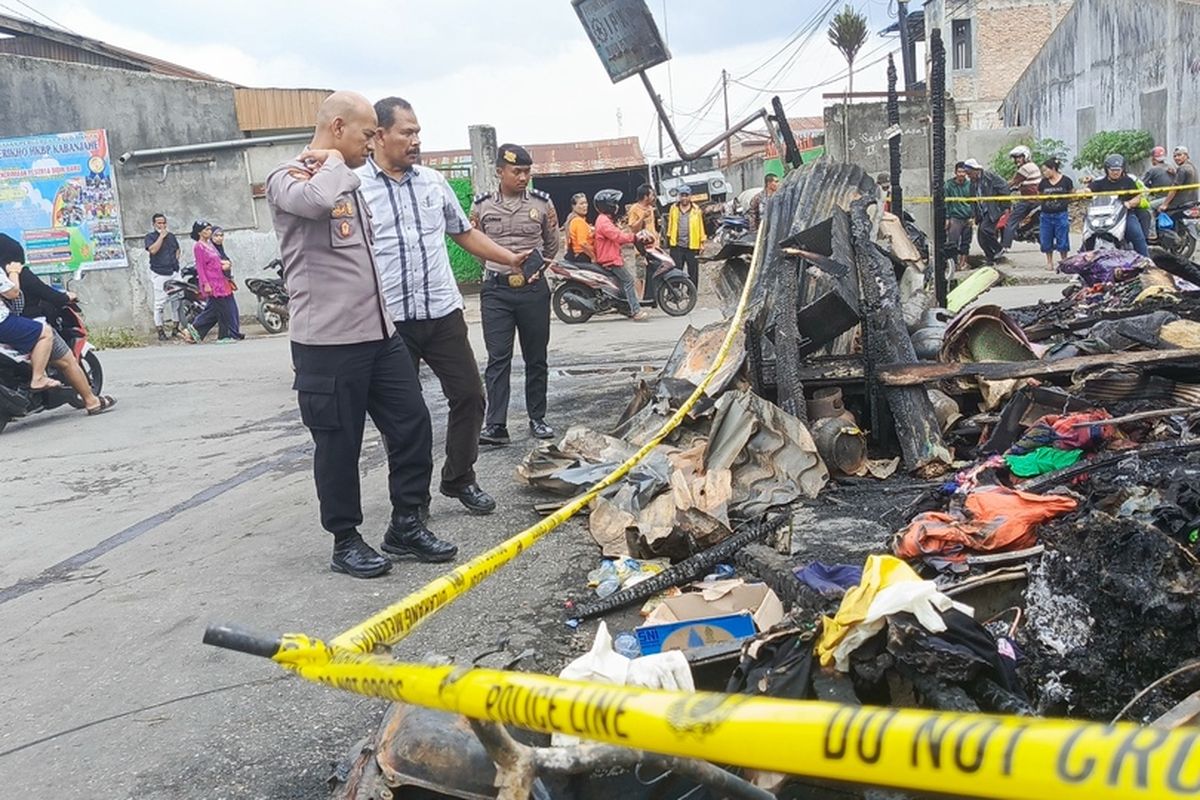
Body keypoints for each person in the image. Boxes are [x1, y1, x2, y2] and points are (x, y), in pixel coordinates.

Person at [266, 90, 453, 578]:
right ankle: (345, 540)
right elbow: (315, 201)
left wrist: (336, 164)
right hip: (327, 344)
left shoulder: (345, 180)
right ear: (336, 129)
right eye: (367, 133)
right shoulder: (290, 177)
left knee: (413, 424)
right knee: (339, 445)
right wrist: (329, 160)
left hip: (378, 333)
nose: (373, 143)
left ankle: (406, 524)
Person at [357, 96, 530, 516]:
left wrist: (507, 258)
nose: (416, 140)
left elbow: (463, 232)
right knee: (405, 415)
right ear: (380, 135)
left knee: (470, 395)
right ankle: (411, 502)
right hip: (391, 320)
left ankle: (459, 478)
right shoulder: (355, 186)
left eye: (418, 132)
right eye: (407, 132)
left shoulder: (434, 183)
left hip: (442, 312)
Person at [472, 143, 559, 446]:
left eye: (527, 171)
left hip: (533, 289)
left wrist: (536, 269)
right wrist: (497, 267)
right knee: (498, 358)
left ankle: (538, 418)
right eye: (516, 171)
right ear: (500, 172)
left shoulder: (542, 204)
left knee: (537, 357)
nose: (523, 177)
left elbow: (551, 243)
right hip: (496, 291)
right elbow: (476, 246)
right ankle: (496, 425)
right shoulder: (481, 206)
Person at [593, 188, 649, 321]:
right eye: (615, 204)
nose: (617, 207)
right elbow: (617, 236)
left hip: (612, 256)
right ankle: (636, 311)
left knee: (622, 283)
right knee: (629, 280)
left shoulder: (604, 219)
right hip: (610, 259)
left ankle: (626, 308)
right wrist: (633, 238)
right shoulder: (604, 222)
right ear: (608, 205)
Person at [182, 221, 238, 344]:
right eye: (206, 230)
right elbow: (201, 267)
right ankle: (223, 336)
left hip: (221, 279)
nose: (209, 232)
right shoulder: (199, 246)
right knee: (222, 309)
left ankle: (193, 331)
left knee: (215, 310)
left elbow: (217, 261)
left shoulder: (210, 245)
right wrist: (205, 284)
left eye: (209, 229)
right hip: (212, 282)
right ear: (200, 232)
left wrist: (226, 264)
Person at [1085, 154, 1149, 256]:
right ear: (1107, 170)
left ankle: (1146, 262)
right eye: (1112, 170)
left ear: (1122, 169)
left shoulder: (1128, 181)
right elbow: (1088, 190)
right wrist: (1084, 192)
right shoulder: (1100, 182)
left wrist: (1129, 203)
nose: (1115, 172)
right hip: (1102, 216)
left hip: (1125, 215)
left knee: (1137, 234)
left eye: (1118, 170)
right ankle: (1085, 262)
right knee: (1088, 236)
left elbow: (1138, 197)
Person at [145, 213, 183, 340]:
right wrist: (161, 237)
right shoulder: (150, 237)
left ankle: (175, 328)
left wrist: (176, 260)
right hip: (160, 273)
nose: (162, 225)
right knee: (160, 303)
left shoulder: (171, 236)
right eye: (159, 223)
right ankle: (160, 330)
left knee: (176, 301)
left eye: (163, 223)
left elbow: (177, 249)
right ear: (154, 224)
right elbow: (153, 250)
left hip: (174, 271)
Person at [964, 158, 1009, 264]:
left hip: (992, 210)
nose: (968, 176)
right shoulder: (972, 183)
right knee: (981, 238)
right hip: (981, 212)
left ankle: (998, 248)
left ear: (976, 170)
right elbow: (973, 201)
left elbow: (1005, 187)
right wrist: (974, 215)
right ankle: (990, 257)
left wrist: (1003, 205)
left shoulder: (990, 177)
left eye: (969, 173)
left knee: (985, 229)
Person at [1001, 145, 1042, 251]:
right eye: (1015, 158)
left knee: (1011, 221)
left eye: (1019, 157)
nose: (1016, 160)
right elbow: (1024, 183)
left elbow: (1013, 181)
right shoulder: (1033, 166)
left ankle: (1005, 246)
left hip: (1028, 200)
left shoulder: (1025, 168)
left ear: (1025, 156)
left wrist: (1001, 188)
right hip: (1037, 199)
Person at [1037, 158, 1073, 269]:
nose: (1044, 173)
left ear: (1053, 169)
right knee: (1046, 238)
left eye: (1045, 170)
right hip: (1046, 215)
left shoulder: (1066, 181)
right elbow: (1039, 195)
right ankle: (1049, 262)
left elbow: (1071, 194)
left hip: (1061, 214)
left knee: (1062, 238)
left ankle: (1064, 261)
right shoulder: (1043, 183)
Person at [666, 187, 706, 286]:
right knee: (675, 270)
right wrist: (669, 239)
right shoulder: (673, 208)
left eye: (686, 195)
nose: (684, 198)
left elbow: (701, 227)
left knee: (693, 271)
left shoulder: (696, 210)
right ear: (679, 196)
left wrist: (702, 243)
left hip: (692, 246)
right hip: (677, 245)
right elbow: (670, 225)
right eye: (682, 195)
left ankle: (692, 292)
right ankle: (675, 292)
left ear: (690, 196)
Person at [210, 227, 243, 340]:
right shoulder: (210, 250)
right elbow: (212, 264)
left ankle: (233, 333)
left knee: (229, 309)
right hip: (216, 284)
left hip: (225, 283)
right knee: (224, 310)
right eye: (216, 235)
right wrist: (224, 264)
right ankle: (229, 334)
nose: (219, 238)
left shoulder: (220, 249)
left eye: (221, 235)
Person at [944, 162, 975, 272]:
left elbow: (974, 203)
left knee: (966, 242)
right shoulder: (948, 185)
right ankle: (953, 264)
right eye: (959, 172)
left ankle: (962, 264)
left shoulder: (971, 185)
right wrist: (947, 218)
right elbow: (946, 203)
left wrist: (973, 217)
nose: (961, 174)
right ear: (955, 172)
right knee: (953, 243)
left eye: (963, 172)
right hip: (955, 218)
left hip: (967, 218)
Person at [1161, 146, 1198, 212]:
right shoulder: (1192, 167)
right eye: (1174, 156)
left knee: (1152, 205)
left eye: (1179, 155)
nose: (1176, 158)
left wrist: (1164, 204)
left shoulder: (1182, 169)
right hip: (1193, 201)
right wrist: (1175, 173)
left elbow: (1174, 188)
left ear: (1186, 155)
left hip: (1180, 202)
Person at [626, 183, 660, 247]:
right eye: (652, 195)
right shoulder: (634, 209)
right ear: (645, 197)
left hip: (654, 246)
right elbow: (633, 229)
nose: (653, 197)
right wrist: (642, 217)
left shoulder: (650, 208)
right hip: (642, 249)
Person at [564, 193, 594, 262]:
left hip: (575, 255)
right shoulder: (578, 221)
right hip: (583, 256)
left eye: (586, 203)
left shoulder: (571, 219)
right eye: (581, 204)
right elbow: (582, 243)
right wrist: (593, 257)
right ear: (573, 206)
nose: (585, 206)